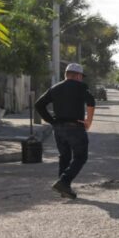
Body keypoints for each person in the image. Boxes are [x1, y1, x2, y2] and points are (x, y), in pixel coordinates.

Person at [35, 62, 96, 199]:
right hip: (75, 128)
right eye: (81, 76)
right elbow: (91, 101)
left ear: (66, 74)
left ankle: (64, 189)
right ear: (78, 76)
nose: (81, 79)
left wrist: (52, 121)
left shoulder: (55, 88)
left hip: (59, 129)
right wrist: (89, 121)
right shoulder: (81, 87)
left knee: (65, 157)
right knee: (81, 157)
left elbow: (39, 105)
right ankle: (64, 182)